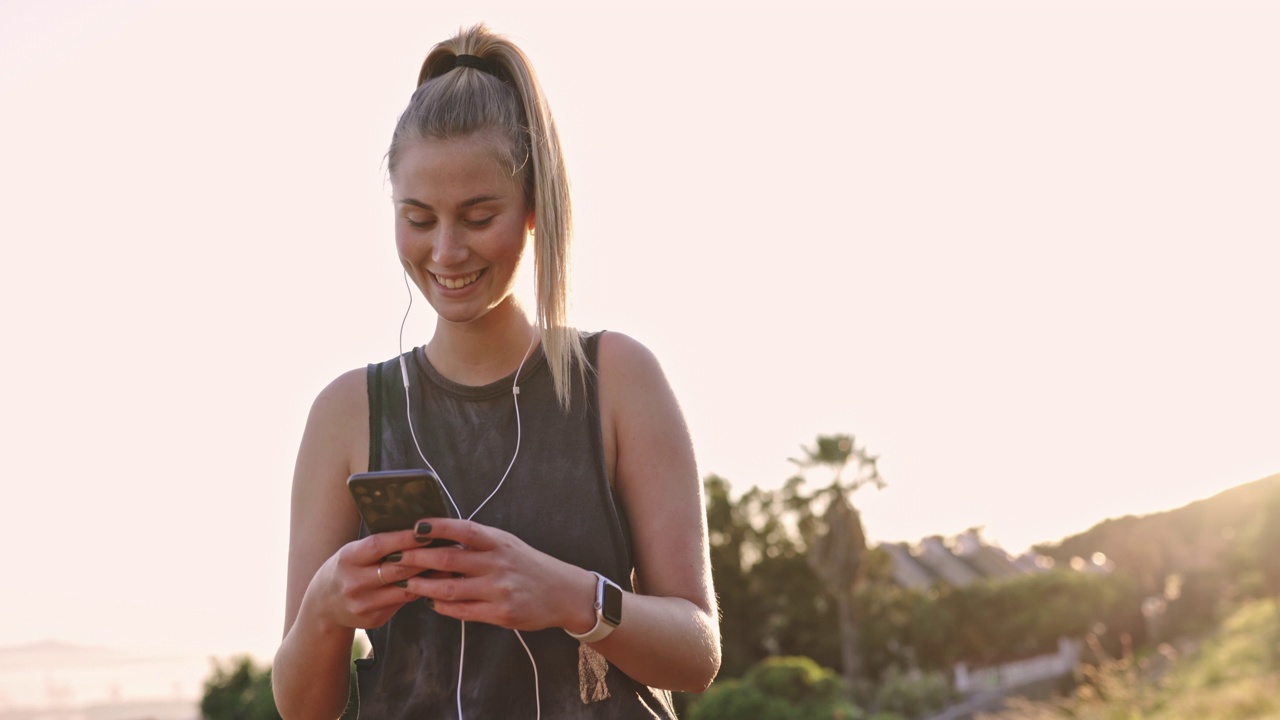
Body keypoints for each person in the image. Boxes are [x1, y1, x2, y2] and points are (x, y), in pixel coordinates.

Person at [272, 24, 720, 719]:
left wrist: (570, 596)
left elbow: (697, 652)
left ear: (535, 208)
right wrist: (327, 609)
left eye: (478, 216)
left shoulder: (621, 378)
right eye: (418, 218)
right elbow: (304, 708)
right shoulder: (346, 411)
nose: (446, 252)